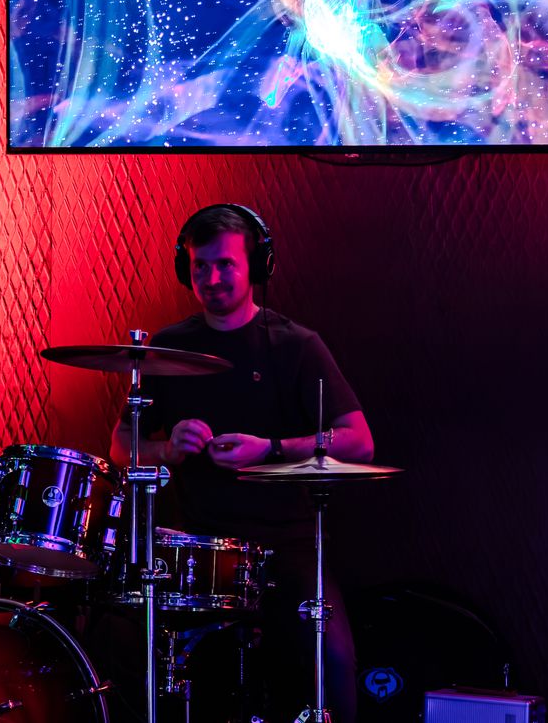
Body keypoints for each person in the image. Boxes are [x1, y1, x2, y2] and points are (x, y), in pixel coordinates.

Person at [108, 203, 375, 722]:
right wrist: (166, 450)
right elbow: (121, 446)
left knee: (333, 671)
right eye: (200, 266)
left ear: (257, 265)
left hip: (288, 551)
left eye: (225, 264)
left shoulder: (297, 346)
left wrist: (270, 448)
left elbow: (358, 442)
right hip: (198, 554)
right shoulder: (170, 348)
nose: (211, 279)